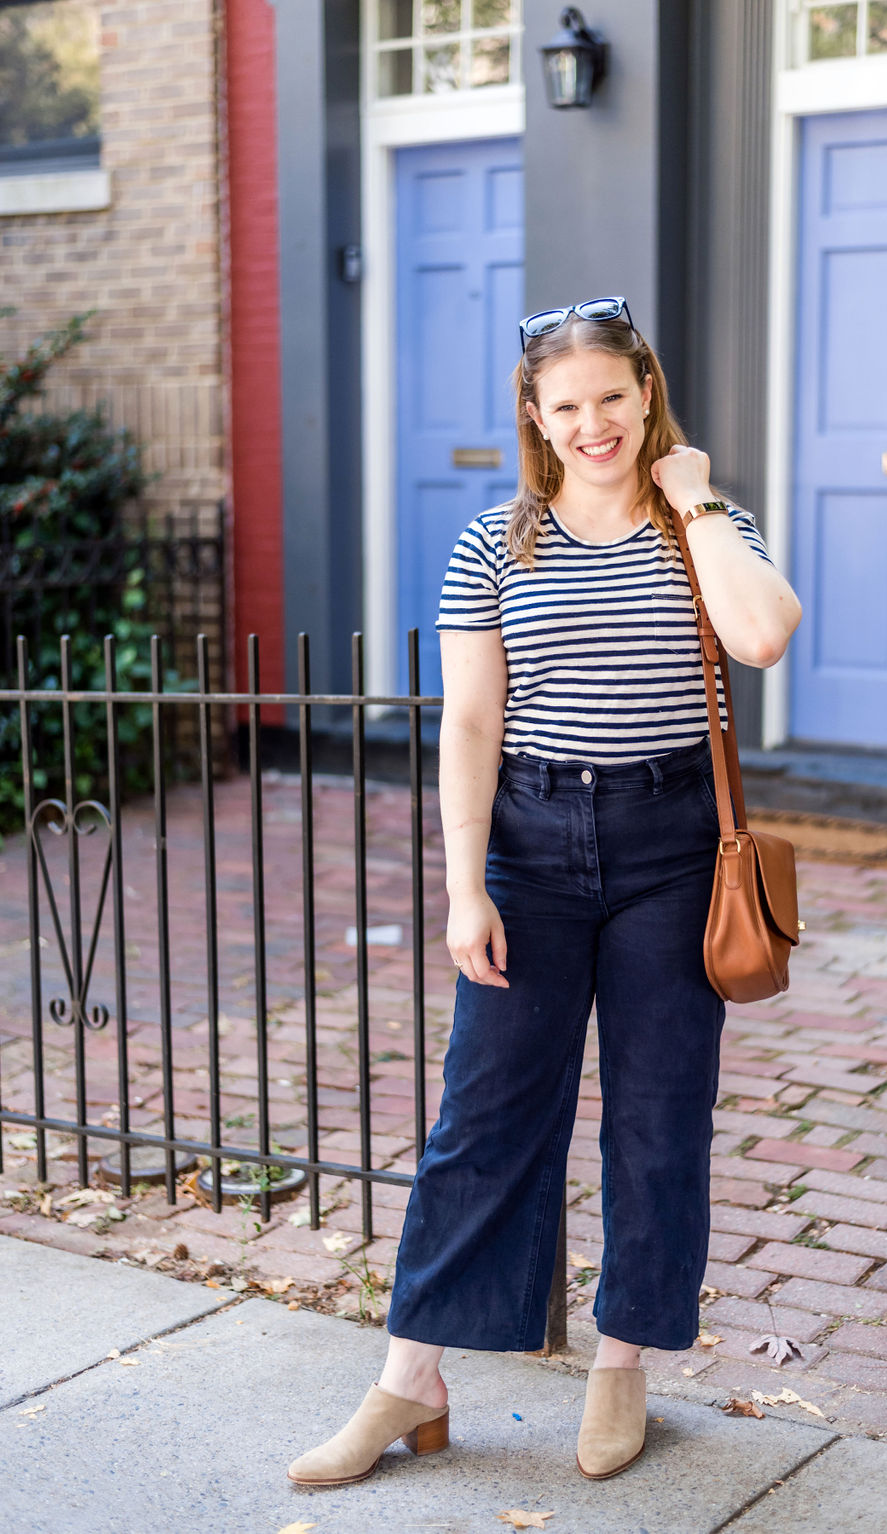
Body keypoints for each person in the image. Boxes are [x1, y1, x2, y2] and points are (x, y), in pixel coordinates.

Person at [287, 297, 801, 1489]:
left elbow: (764, 637)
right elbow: (470, 722)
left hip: (673, 846)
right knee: (484, 1117)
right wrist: (464, 887)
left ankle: (621, 1361)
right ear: (535, 415)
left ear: (645, 393)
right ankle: (410, 1380)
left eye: (610, 399)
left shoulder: (704, 528)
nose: (591, 425)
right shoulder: (493, 542)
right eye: (564, 406)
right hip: (530, 841)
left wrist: (700, 500)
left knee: (658, 1109)